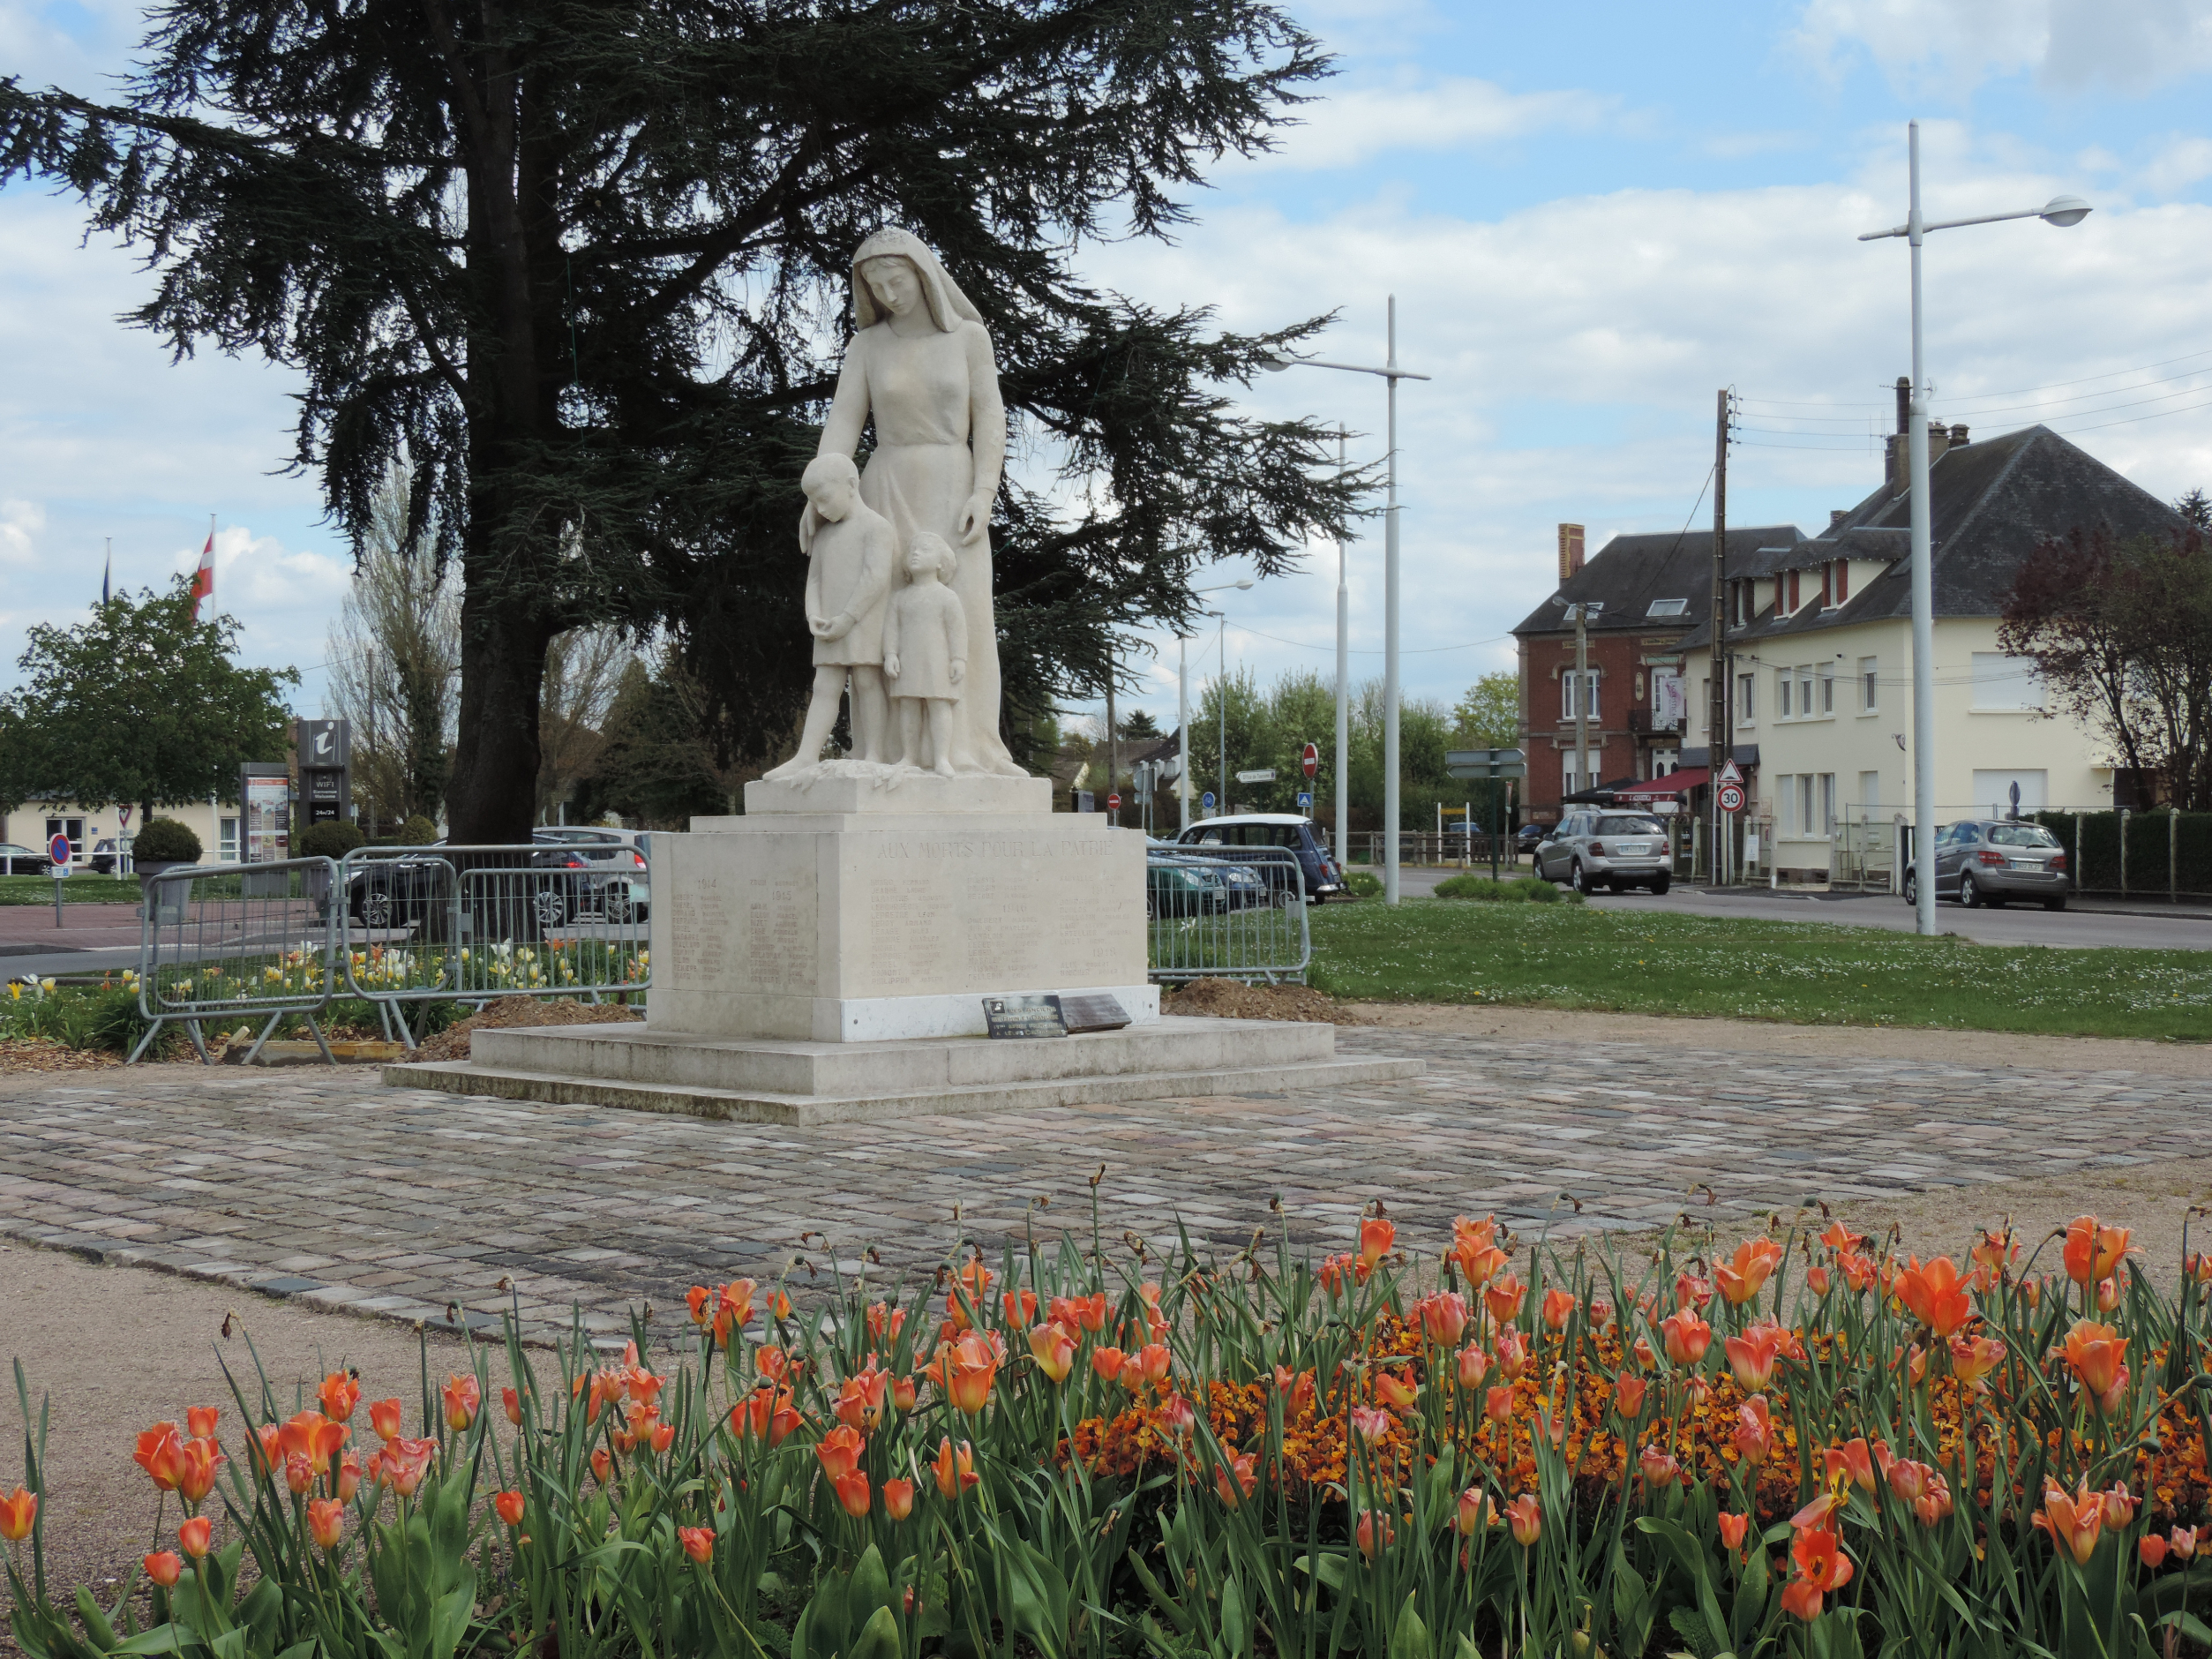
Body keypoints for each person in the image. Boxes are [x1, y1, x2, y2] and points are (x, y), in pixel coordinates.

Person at [807, 228, 1026, 776]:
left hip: (954, 486)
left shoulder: (969, 339)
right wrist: (820, 490)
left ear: (923, 275)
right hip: (885, 484)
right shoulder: (867, 347)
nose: (890, 295)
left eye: (897, 280)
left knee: (966, 610)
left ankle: (967, 748)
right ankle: (884, 752)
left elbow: (991, 415)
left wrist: (984, 488)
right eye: (877, 286)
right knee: (883, 619)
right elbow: (843, 421)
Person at [762, 453, 896, 779]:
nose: (818, 510)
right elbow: (816, 580)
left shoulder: (877, 527)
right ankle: (807, 755)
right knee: (825, 685)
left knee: (866, 681)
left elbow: (875, 578)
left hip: (862, 620)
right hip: (829, 623)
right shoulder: (823, 535)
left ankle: (875, 752)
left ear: (851, 486)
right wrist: (813, 614)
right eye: (813, 502)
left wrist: (848, 618)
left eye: (823, 500)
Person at [882, 534, 968, 776]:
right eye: (912, 551)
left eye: (925, 550)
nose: (915, 554)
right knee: (908, 706)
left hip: (937, 662)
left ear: (941, 562)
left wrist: (958, 659)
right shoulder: (899, 597)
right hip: (908, 661)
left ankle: (942, 758)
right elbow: (891, 628)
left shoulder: (947, 596)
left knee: (939, 706)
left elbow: (957, 630)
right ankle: (909, 756)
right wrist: (890, 654)